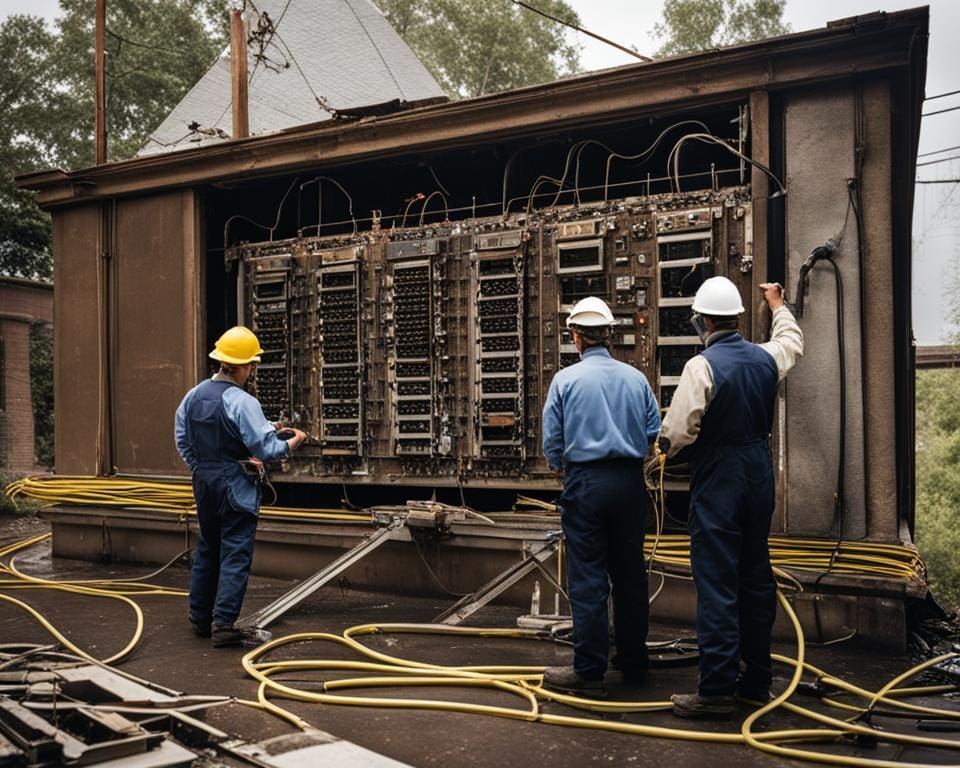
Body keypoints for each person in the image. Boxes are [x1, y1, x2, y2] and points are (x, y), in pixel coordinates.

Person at [658, 278, 803, 718]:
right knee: (756, 579)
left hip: (720, 478)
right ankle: (756, 682)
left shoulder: (701, 367)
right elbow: (791, 342)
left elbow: (680, 430)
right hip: (759, 475)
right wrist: (778, 304)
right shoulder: (765, 357)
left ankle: (716, 690)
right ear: (737, 318)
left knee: (717, 582)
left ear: (701, 321)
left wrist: (661, 449)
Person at [541, 296, 661, 697]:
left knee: (588, 579)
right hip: (629, 485)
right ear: (609, 334)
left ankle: (589, 671)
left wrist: (566, 468)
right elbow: (651, 433)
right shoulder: (636, 379)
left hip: (586, 485)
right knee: (629, 577)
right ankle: (634, 664)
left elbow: (552, 444)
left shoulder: (565, 381)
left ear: (576, 337)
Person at [175, 326, 306, 648]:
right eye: (251, 366)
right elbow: (266, 451)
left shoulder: (193, 395)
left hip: (204, 482)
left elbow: (183, 440)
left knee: (208, 549)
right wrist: (293, 442)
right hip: (234, 486)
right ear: (245, 366)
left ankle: (199, 620)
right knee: (235, 552)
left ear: (221, 361)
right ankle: (224, 626)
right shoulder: (242, 400)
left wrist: (205, 469)